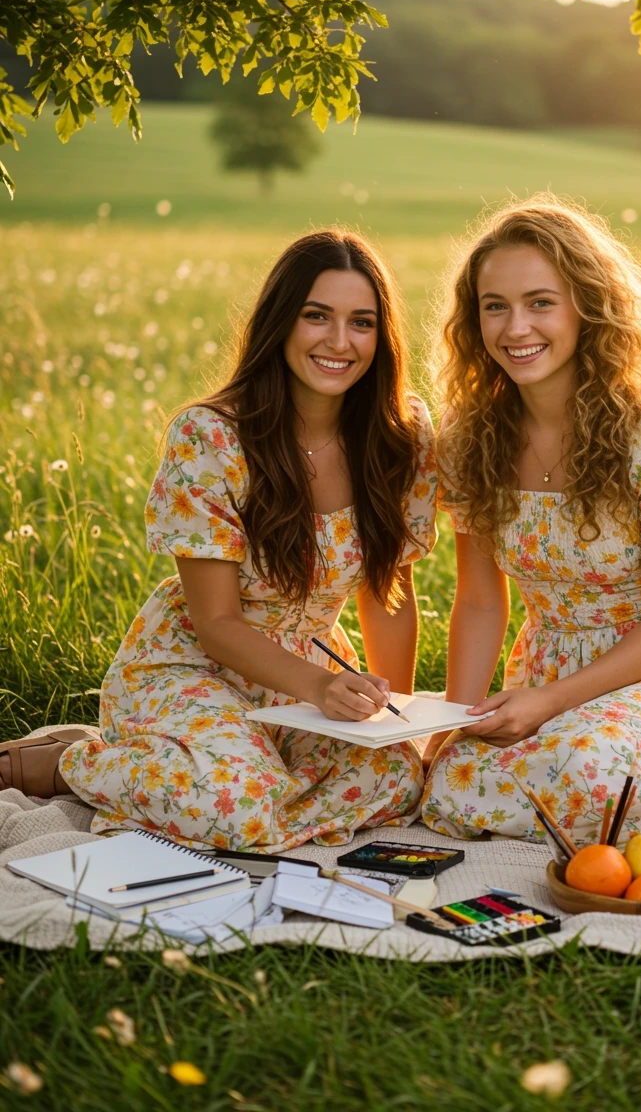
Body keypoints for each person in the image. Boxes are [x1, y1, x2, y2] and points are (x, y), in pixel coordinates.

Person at [1, 231, 437, 850]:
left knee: (397, 781)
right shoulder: (211, 438)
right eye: (317, 316)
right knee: (242, 808)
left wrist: (398, 721)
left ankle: (217, 775)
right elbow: (216, 623)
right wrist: (316, 689)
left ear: (381, 336)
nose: (340, 342)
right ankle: (69, 764)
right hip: (193, 665)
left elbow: (387, 593)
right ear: (280, 321)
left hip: (310, 668)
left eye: (361, 322)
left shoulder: (401, 435)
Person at [421, 195, 641, 849]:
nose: (515, 327)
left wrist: (548, 706)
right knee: (451, 780)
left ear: (587, 305)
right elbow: (478, 602)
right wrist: (458, 720)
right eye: (495, 306)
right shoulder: (471, 436)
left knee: (594, 766)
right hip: (544, 672)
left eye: (540, 302)